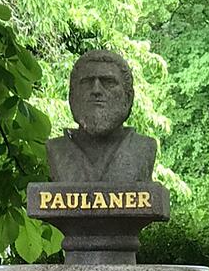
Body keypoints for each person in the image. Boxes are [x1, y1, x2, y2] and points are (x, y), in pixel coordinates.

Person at [46, 50, 157, 182]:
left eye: (109, 82)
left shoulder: (143, 148)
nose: (96, 90)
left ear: (128, 97)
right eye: (87, 82)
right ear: (72, 96)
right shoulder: (57, 149)